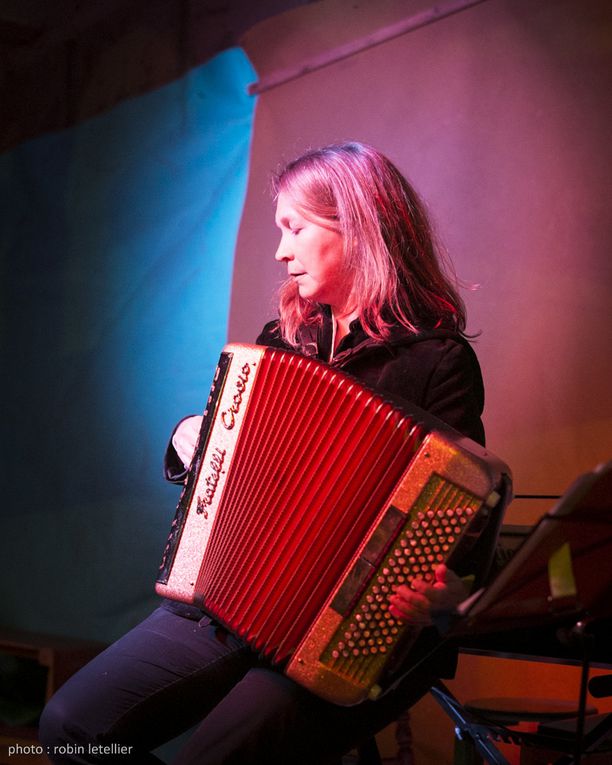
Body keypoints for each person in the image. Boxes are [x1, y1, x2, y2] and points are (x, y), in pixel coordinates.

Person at [39, 142, 498, 764]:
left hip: (347, 630)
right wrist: (187, 436)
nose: (281, 252)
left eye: (294, 228)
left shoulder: (436, 361)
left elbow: (463, 514)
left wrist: (446, 591)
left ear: (356, 225)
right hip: (230, 604)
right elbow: (230, 468)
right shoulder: (281, 342)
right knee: (71, 729)